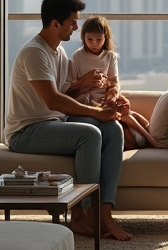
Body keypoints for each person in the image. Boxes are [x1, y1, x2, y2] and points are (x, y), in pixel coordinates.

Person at [5, 0, 131, 241]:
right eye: (73, 22)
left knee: (113, 129)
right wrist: (96, 112)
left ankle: (104, 212)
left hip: (55, 123)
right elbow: (52, 99)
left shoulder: (58, 51)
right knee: (90, 133)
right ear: (55, 24)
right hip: (27, 131)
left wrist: (84, 84)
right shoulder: (35, 52)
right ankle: (83, 216)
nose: (76, 27)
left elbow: (65, 92)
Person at [69, 15, 161, 150]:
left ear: (105, 38)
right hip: (87, 103)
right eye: (90, 39)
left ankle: (151, 136)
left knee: (129, 114)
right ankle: (150, 140)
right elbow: (71, 87)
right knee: (127, 128)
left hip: (106, 99)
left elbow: (114, 83)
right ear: (83, 37)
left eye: (99, 40)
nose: (94, 43)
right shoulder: (77, 57)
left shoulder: (109, 57)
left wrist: (112, 98)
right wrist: (85, 82)